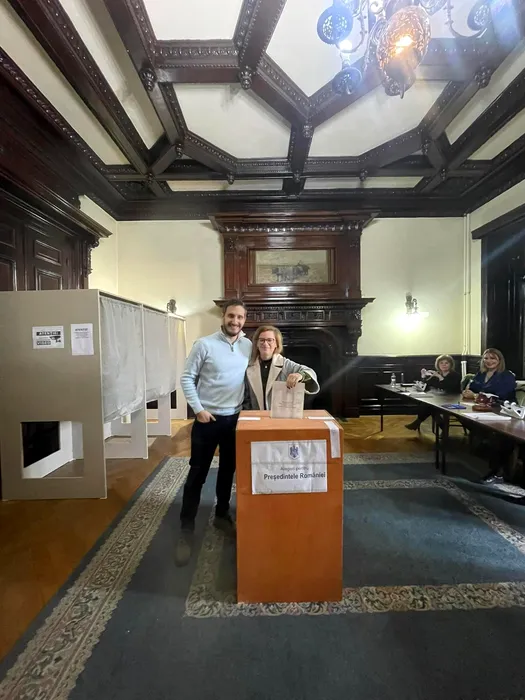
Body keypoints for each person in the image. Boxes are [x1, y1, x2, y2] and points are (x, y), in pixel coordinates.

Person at [176, 299, 252, 566]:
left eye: (240, 317)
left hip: (235, 420)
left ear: (244, 320)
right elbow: (187, 377)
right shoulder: (204, 344)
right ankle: (186, 529)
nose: (235, 321)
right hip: (207, 419)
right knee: (197, 474)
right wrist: (198, 410)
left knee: (228, 471)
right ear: (223, 316)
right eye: (231, 316)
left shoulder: (248, 346)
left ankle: (221, 514)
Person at [462, 348, 516, 484]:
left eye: (493, 358)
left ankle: (498, 472)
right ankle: (493, 466)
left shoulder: (507, 376)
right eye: (486, 358)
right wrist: (468, 392)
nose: (489, 361)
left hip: (504, 412)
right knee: (468, 421)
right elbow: (472, 388)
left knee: (498, 438)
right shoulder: (481, 374)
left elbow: (501, 395)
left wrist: (476, 395)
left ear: (499, 360)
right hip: (483, 410)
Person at [243, 325, 320, 410]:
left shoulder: (285, 364)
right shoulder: (249, 366)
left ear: (276, 344)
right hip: (256, 414)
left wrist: (300, 375)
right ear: (257, 343)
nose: (265, 343)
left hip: (280, 414)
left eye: (270, 340)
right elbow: (246, 397)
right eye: (262, 340)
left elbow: (309, 371)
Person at [405, 354, 461, 431]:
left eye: (446, 363)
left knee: (431, 407)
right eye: (441, 363)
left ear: (451, 364)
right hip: (439, 399)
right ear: (438, 365)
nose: (444, 365)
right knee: (428, 405)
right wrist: (423, 376)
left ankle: (419, 423)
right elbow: (426, 386)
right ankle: (443, 427)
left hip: (452, 400)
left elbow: (448, 387)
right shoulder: (437, 374)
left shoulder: (455, 375)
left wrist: (439, 377)